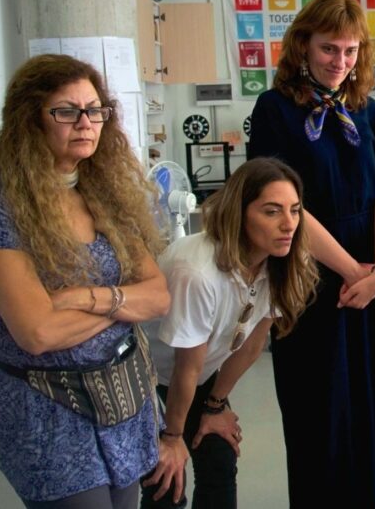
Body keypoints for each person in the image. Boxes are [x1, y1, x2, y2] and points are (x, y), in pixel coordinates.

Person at [0, 54, 170, 508]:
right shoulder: (0, 208)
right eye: (66, 111)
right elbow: (37, 332)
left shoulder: (103, 194)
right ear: (31, 119)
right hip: (46, 411)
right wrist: (120, 306)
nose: (85, 122)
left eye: (95, 110)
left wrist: (82, 298)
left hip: (120, 400)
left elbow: (157, 296)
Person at [248, 0, 375, 508]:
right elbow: (284, 208)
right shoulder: (274, 109)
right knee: (321, 406)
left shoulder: (364, 108)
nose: (340, 62)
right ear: (302, 44)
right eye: (329, 49)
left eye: (350, 51)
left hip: (374, 275)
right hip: (311, 277)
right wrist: (352, 272)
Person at [140, 158, 318, 508]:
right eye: (271, 211)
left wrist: (215, 406)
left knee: (220, 457)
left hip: (198, 373)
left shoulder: (280, 261)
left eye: (295, 210)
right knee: (166, 478)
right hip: (146, 377)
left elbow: (251, 346)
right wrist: (173, 437)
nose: (288, 224)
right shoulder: (198, 271)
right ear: (240, 212)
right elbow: (184, 367)